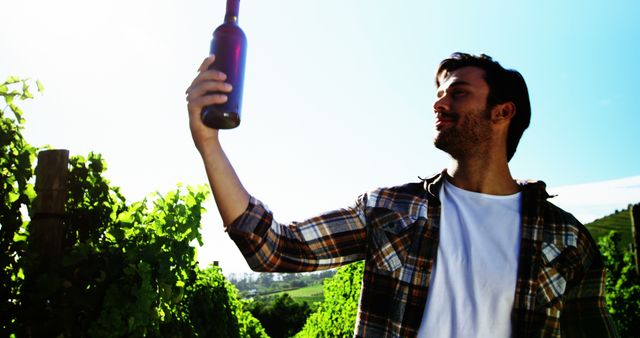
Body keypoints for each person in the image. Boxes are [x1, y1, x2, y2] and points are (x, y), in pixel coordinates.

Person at [185, 53, 618, 337]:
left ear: (502, 113)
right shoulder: (392, 209)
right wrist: (209, 144)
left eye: (458, 93)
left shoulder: (567, 241)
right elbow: (275, 249)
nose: (438, 103)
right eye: (438, 94)